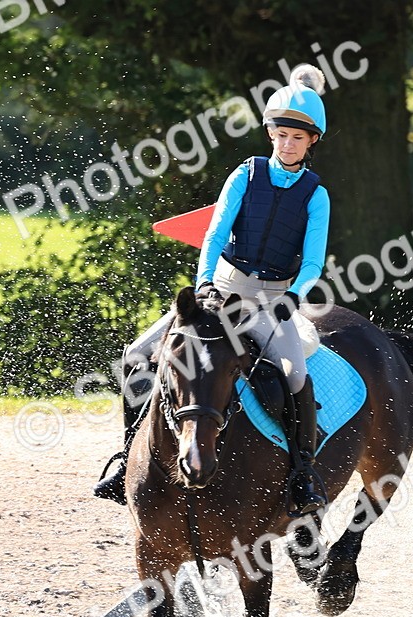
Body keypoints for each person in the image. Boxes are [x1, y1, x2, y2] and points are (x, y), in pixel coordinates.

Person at [95, 64, 331, 516]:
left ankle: (303, 474)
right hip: (221, 290)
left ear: (311, 141)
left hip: (270, 302)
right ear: (270, 134)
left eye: (297, 138)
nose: (287, 144)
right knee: (136, 356)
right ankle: (127, 458)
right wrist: (204, 283)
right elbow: (215, 235)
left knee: (295, 376)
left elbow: (314, 262)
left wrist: (294, 295)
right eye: (281, 135)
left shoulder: (316, 195)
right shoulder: (245, 175)